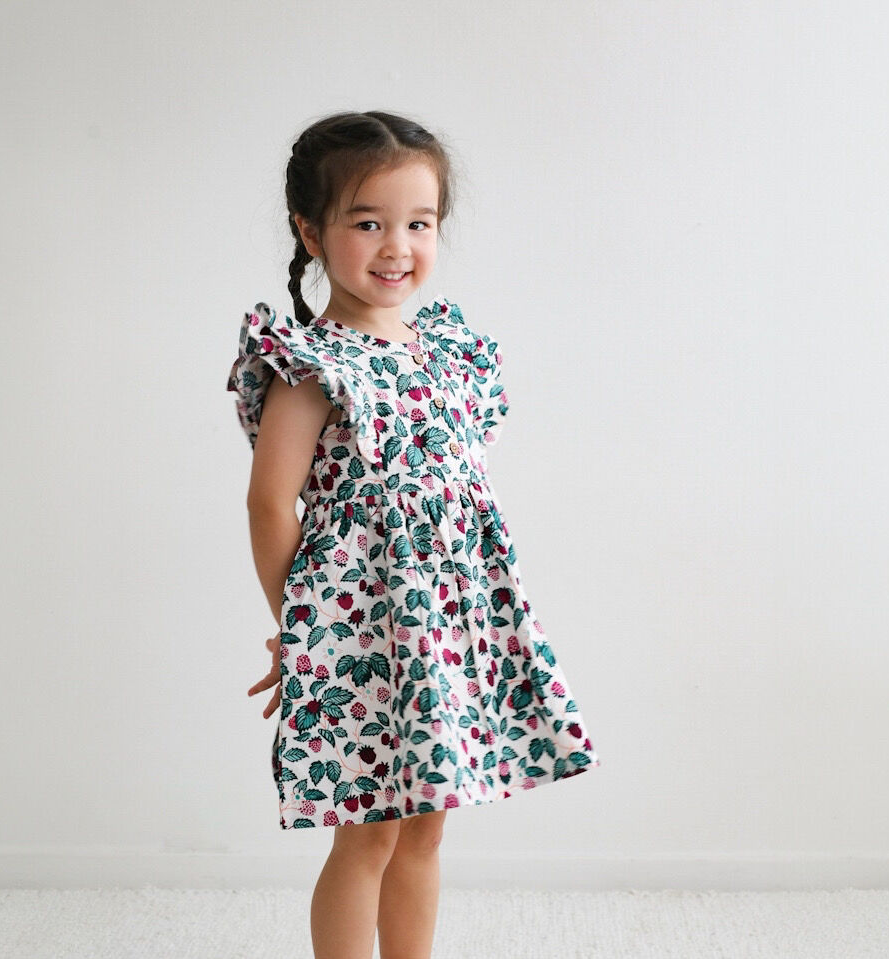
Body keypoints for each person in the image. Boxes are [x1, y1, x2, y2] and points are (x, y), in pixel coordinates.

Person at [227, 109, 600, 959]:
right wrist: (300, 627)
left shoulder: (443, 349)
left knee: (427, 831)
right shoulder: (311, 366)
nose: (396, 246)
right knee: (367, 834)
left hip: (441, 626)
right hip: (360, 631)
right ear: (309, 232)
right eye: (367, 223)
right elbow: (268, 504)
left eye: (417, 224)